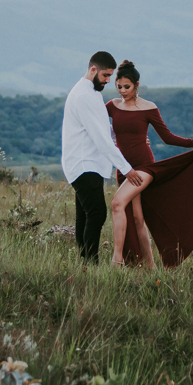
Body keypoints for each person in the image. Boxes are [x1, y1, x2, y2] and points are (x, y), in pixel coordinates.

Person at [106, 60, 193, 268]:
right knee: (136, 217)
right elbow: (98, 128)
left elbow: (167, 137)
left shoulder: (148, 108)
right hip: (124, 168)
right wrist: (113, 140)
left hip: (144, 166)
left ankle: (117, 259)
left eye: (127, 87)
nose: (123, 91)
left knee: (117, 204)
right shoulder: (112, 106)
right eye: (119, 87)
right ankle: (150, 268)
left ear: (136, 85)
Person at [61, 51, 143, 263]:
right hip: (84, 164)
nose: (108, 80)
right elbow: (102, 140)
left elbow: (103, 129)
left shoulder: (91, 93)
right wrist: (127, 169)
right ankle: (90, 263)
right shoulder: (84, 96)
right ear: (93, 70)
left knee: (85, 216)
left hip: (87, 164)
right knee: (97, 214)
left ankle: (85, 265)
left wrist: (127, 135)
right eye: (106, 75)